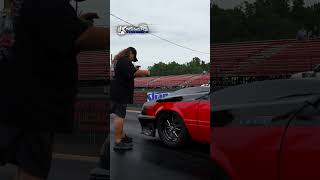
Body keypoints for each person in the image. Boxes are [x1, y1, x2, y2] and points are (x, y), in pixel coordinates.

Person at [0, 0, 109, 180]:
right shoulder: (52, 3)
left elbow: (49, 33)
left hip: (21, 99)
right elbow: (80, 39)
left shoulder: (40, 5)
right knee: (33, 169)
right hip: (36, 105)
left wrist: (77, 24)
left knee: (28, 164)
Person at [110, 47, 150, 150]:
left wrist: (134, 69)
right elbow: (133, 73)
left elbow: (129, 73)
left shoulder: (121, 61)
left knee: (119, 114)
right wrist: (145, 72)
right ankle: (118, 141)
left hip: (118, 92)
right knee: (120, 116)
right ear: (130, 53)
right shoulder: (124, 61)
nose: (133, 59)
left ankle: (122, 135)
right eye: (133, 57)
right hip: (120, 93)